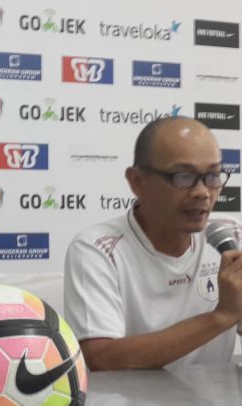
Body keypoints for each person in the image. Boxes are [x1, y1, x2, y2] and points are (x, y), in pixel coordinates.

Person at [64, 116, 242, 370]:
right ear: (137, 181)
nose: (203, 192)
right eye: (184, 177)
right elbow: (101, 358)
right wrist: (221, 317)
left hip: (215, 402)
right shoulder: (97, 249)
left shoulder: (230, 234)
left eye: (213, 176)